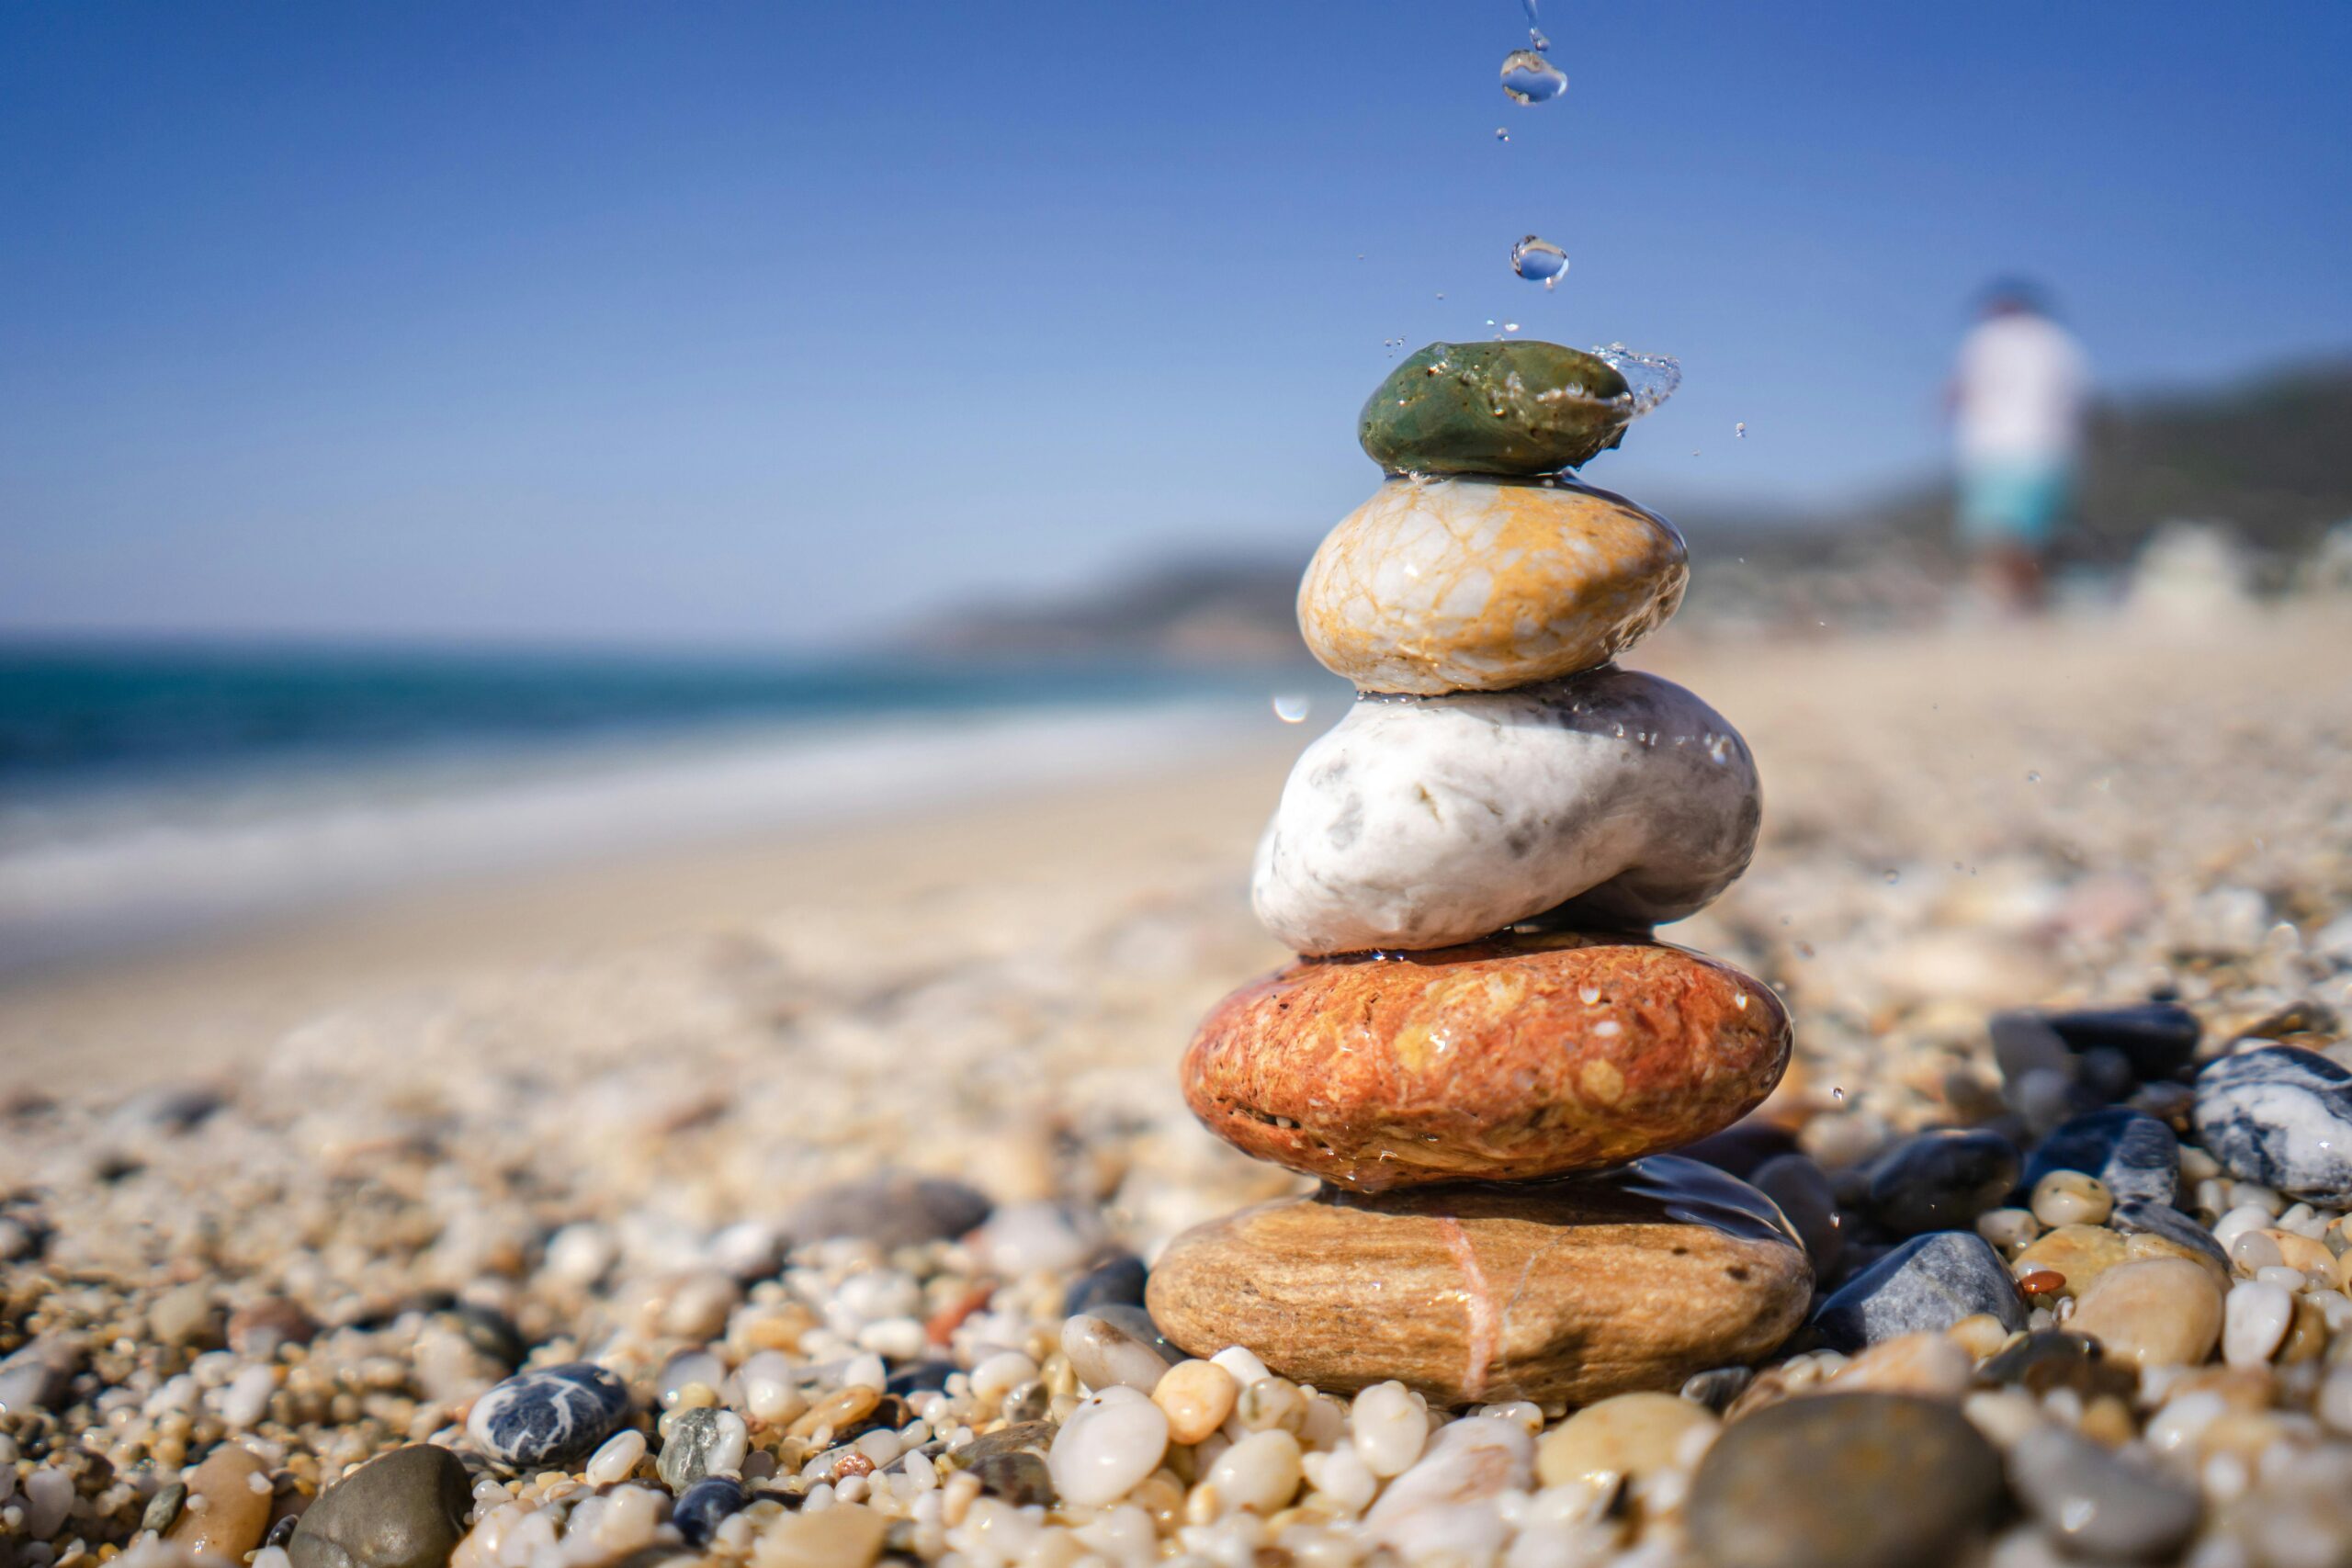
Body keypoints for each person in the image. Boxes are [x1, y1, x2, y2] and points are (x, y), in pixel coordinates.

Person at [1947, 280, 2089, 612]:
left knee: (2001, 536)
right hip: (2053, 452)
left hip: (1999, 451)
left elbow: (1962, 390)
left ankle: (2021, 609)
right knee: (2036, 538)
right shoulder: (2060, 343)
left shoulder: (1987, 339)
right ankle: (2033, 605)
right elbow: (2079, 399)